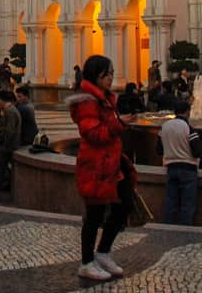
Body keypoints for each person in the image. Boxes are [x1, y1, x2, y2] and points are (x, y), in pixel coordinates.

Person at [68, 54, 133, 281]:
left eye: (112, 74)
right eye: (107, 74)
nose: (111, 78)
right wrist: (120, 123)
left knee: (124, 204)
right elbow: (93, 133)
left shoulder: (105, 99)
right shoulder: (88, 101)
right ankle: (87, 262)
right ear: (96, 75)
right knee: (94, 214)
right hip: (95, 163)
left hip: (111, 162)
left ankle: (103, 251)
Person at [156, 100, 202, 225]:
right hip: (188, 169)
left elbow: (159, 150)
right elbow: (197, 152)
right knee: (187, 205)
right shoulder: (188, 128)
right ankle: (185, 231)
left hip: (171, 168)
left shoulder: (164, 126)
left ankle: (168, 228)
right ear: (188, 112)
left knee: (170, 202)